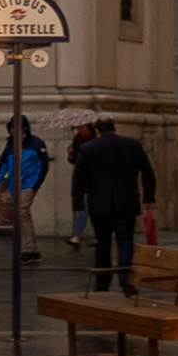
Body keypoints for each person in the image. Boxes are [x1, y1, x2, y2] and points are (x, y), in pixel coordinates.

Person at [72, 118, 157, 296]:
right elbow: (148, 171)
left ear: (98, 129)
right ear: (114, 128)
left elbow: (78, 177)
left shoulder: (88, 148)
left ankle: (102, 283)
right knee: (125, 241)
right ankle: (126, 281)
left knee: (102, 243)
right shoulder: (132, 145)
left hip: (99, 203)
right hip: (126, 202)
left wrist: (77, 202)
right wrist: (149, 197)